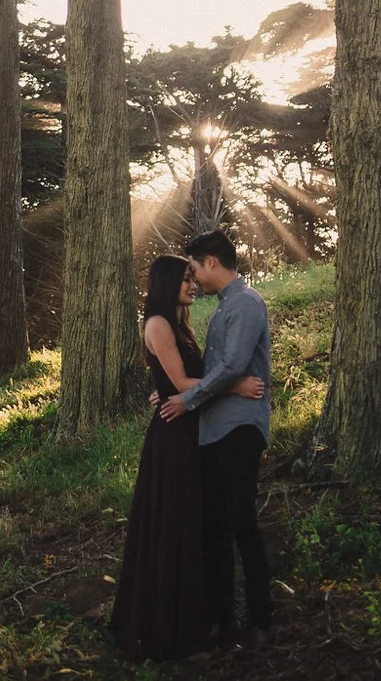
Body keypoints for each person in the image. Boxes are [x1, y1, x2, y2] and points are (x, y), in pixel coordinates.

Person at [110, 254, 265, 661]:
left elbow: (177, 383)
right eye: (184, 280)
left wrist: (165, 389)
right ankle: (170, 631)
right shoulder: (159, 324)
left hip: (189, 430)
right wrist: (236, 387)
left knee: (193, 526)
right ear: (165, 284)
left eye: (192, 279)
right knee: (174, 529)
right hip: (172, 437)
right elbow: (181, 382)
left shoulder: (180, 324)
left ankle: (201, 620)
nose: (191, 285)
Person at [159, 228, 274, 649]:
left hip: (240, 427)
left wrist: (187, 401)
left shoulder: (246, 303)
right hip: (214, 431)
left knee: (241, 521)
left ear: (211, 262)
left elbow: (232, 368)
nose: (192, 280)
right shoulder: (225, 309)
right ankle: (223, 620)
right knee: (215, 528)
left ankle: (259, 621)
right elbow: (220, 374)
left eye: (193, 269)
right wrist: (179, 391)